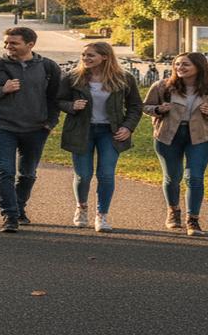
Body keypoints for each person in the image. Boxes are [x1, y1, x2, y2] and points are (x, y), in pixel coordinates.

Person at [0, 26, 61, 233]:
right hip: (1, 126)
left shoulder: (48, 67)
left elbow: (55, 98)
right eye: (7, 43)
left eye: (14, 43)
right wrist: (2, 90)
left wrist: (50, 123)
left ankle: (19, 207)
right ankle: (9, 215)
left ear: (30, 44)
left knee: (27, 174)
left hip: (36, 128)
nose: (9, 47)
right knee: (5, 172)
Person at [56, 42, 143, 233]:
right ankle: (82, 208)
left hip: (110, 132)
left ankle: (102, 215)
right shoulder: (73, 77)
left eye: (90, 55)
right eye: (84, 55)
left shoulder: (124, 78)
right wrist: (71, 106)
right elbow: (58, 100)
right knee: (84, 174)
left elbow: (136, 106)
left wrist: (128, 127)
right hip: (81, 130)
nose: (85, 58)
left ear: (105, 57)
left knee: (106, 174)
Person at [143, 52, 208, 236]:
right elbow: (145, 107)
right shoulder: (162, 86)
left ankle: (193, 219)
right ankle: (173, 211)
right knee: (172, 177)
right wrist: (158, 109)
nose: (180, 68)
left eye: (185, 65)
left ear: (199, 67)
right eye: (177, 64)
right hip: (168, 136)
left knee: (195, 177)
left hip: (200, 137)